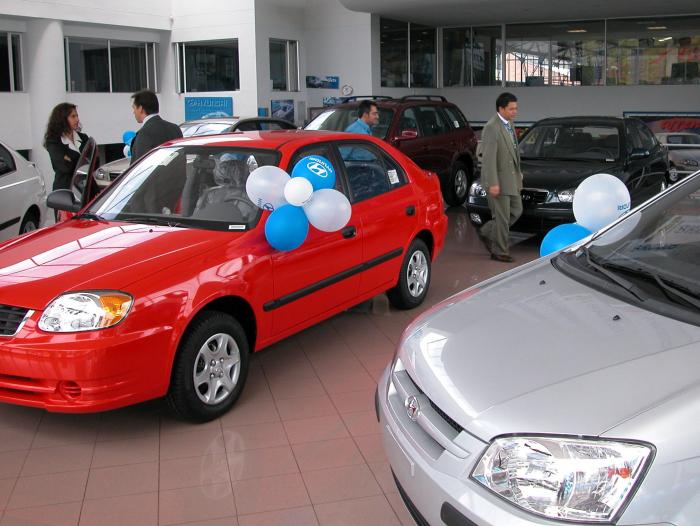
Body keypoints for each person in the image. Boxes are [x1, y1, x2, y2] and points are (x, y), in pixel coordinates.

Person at [477, 92, 523, 263]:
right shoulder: (492, 127)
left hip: (511, 179)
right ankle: (500, 251)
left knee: (517, 211)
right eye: (511, 109)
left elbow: (513, 152)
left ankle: (488, 231)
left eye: (516, 108)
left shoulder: (509, 123)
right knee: (502, 217)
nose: (515, 111)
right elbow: (488, 158)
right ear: (501, 109)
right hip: (499, 181)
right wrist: (493, 183)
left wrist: (519, 174)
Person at [43, 103, 89, 191]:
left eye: (77, 116)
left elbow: (94, 161)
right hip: (65, 190)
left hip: (86, 189)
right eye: (73, 116)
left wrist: (71, 159)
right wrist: (83, 161)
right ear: (62, 119)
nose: (77, 119)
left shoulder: (84, 137)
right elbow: (65, 167)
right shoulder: (53, 141)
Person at [130, 89, 183, 164]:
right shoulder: (175, 128)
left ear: (141, 108)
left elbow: (140, 166)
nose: (133, 112)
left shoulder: (144, 133)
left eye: (134, 108)